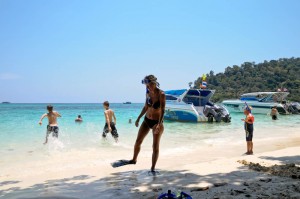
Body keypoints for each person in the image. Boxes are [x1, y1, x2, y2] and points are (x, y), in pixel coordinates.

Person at [128, 75, 166, 174]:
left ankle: (152, 168)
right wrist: (138, 118)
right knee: (138, 141)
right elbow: (145, 107)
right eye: (146, 85)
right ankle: (134, 160)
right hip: (146, 120)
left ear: (154, 83)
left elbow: (162, 110)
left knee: (155, 146)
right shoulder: (147, 92)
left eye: (148, 85)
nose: (147, 87)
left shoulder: (161, 94)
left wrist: (159, 124)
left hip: (156, 123)